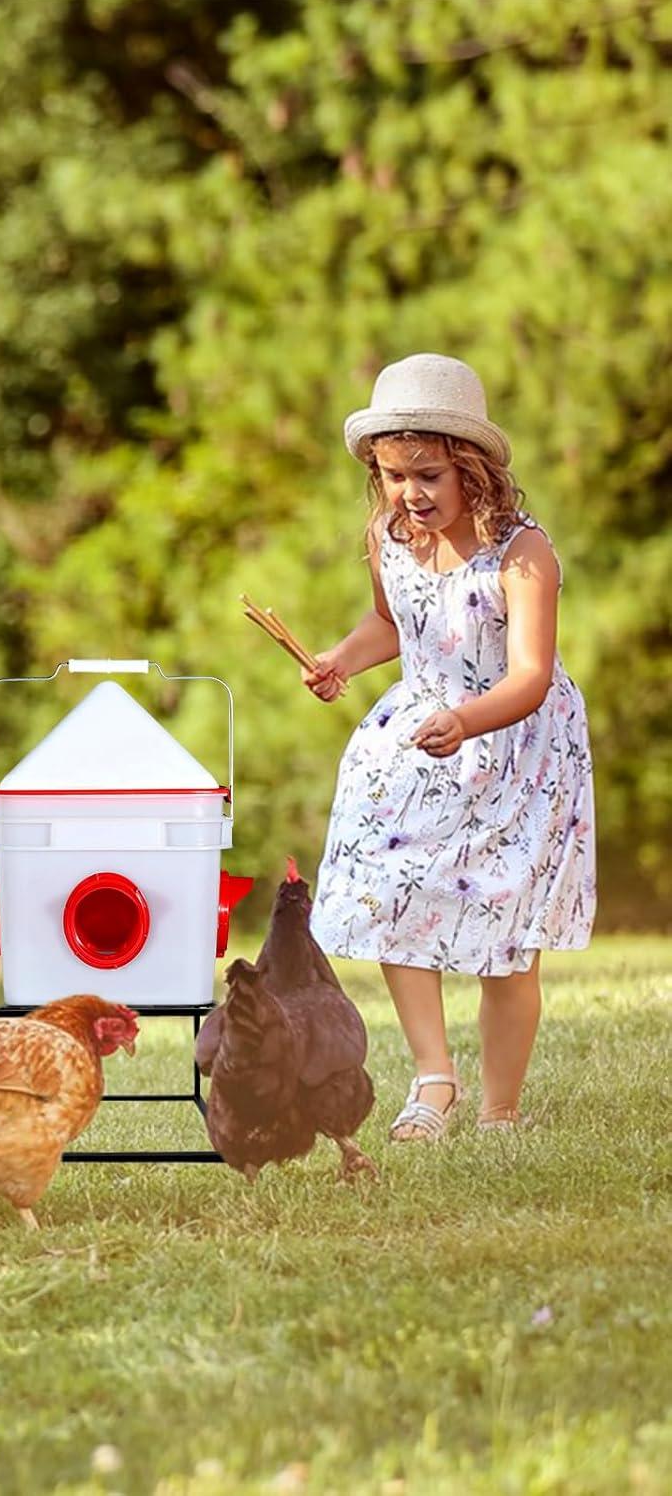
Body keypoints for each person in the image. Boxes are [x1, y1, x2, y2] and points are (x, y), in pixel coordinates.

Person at [304, 353, 596, 1141]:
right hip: (423, 736)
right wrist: (340, 658)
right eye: (394, 477)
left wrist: (469, 720)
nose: (411, 494)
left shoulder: (522, 552)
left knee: (509, 935)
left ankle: (501, 1110)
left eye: (427, 474)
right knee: (396, 890)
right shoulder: (389, 536)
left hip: (516, 745)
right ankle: (434, 1080)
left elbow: (532, 675)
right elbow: (392, 624)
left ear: (472, 468)